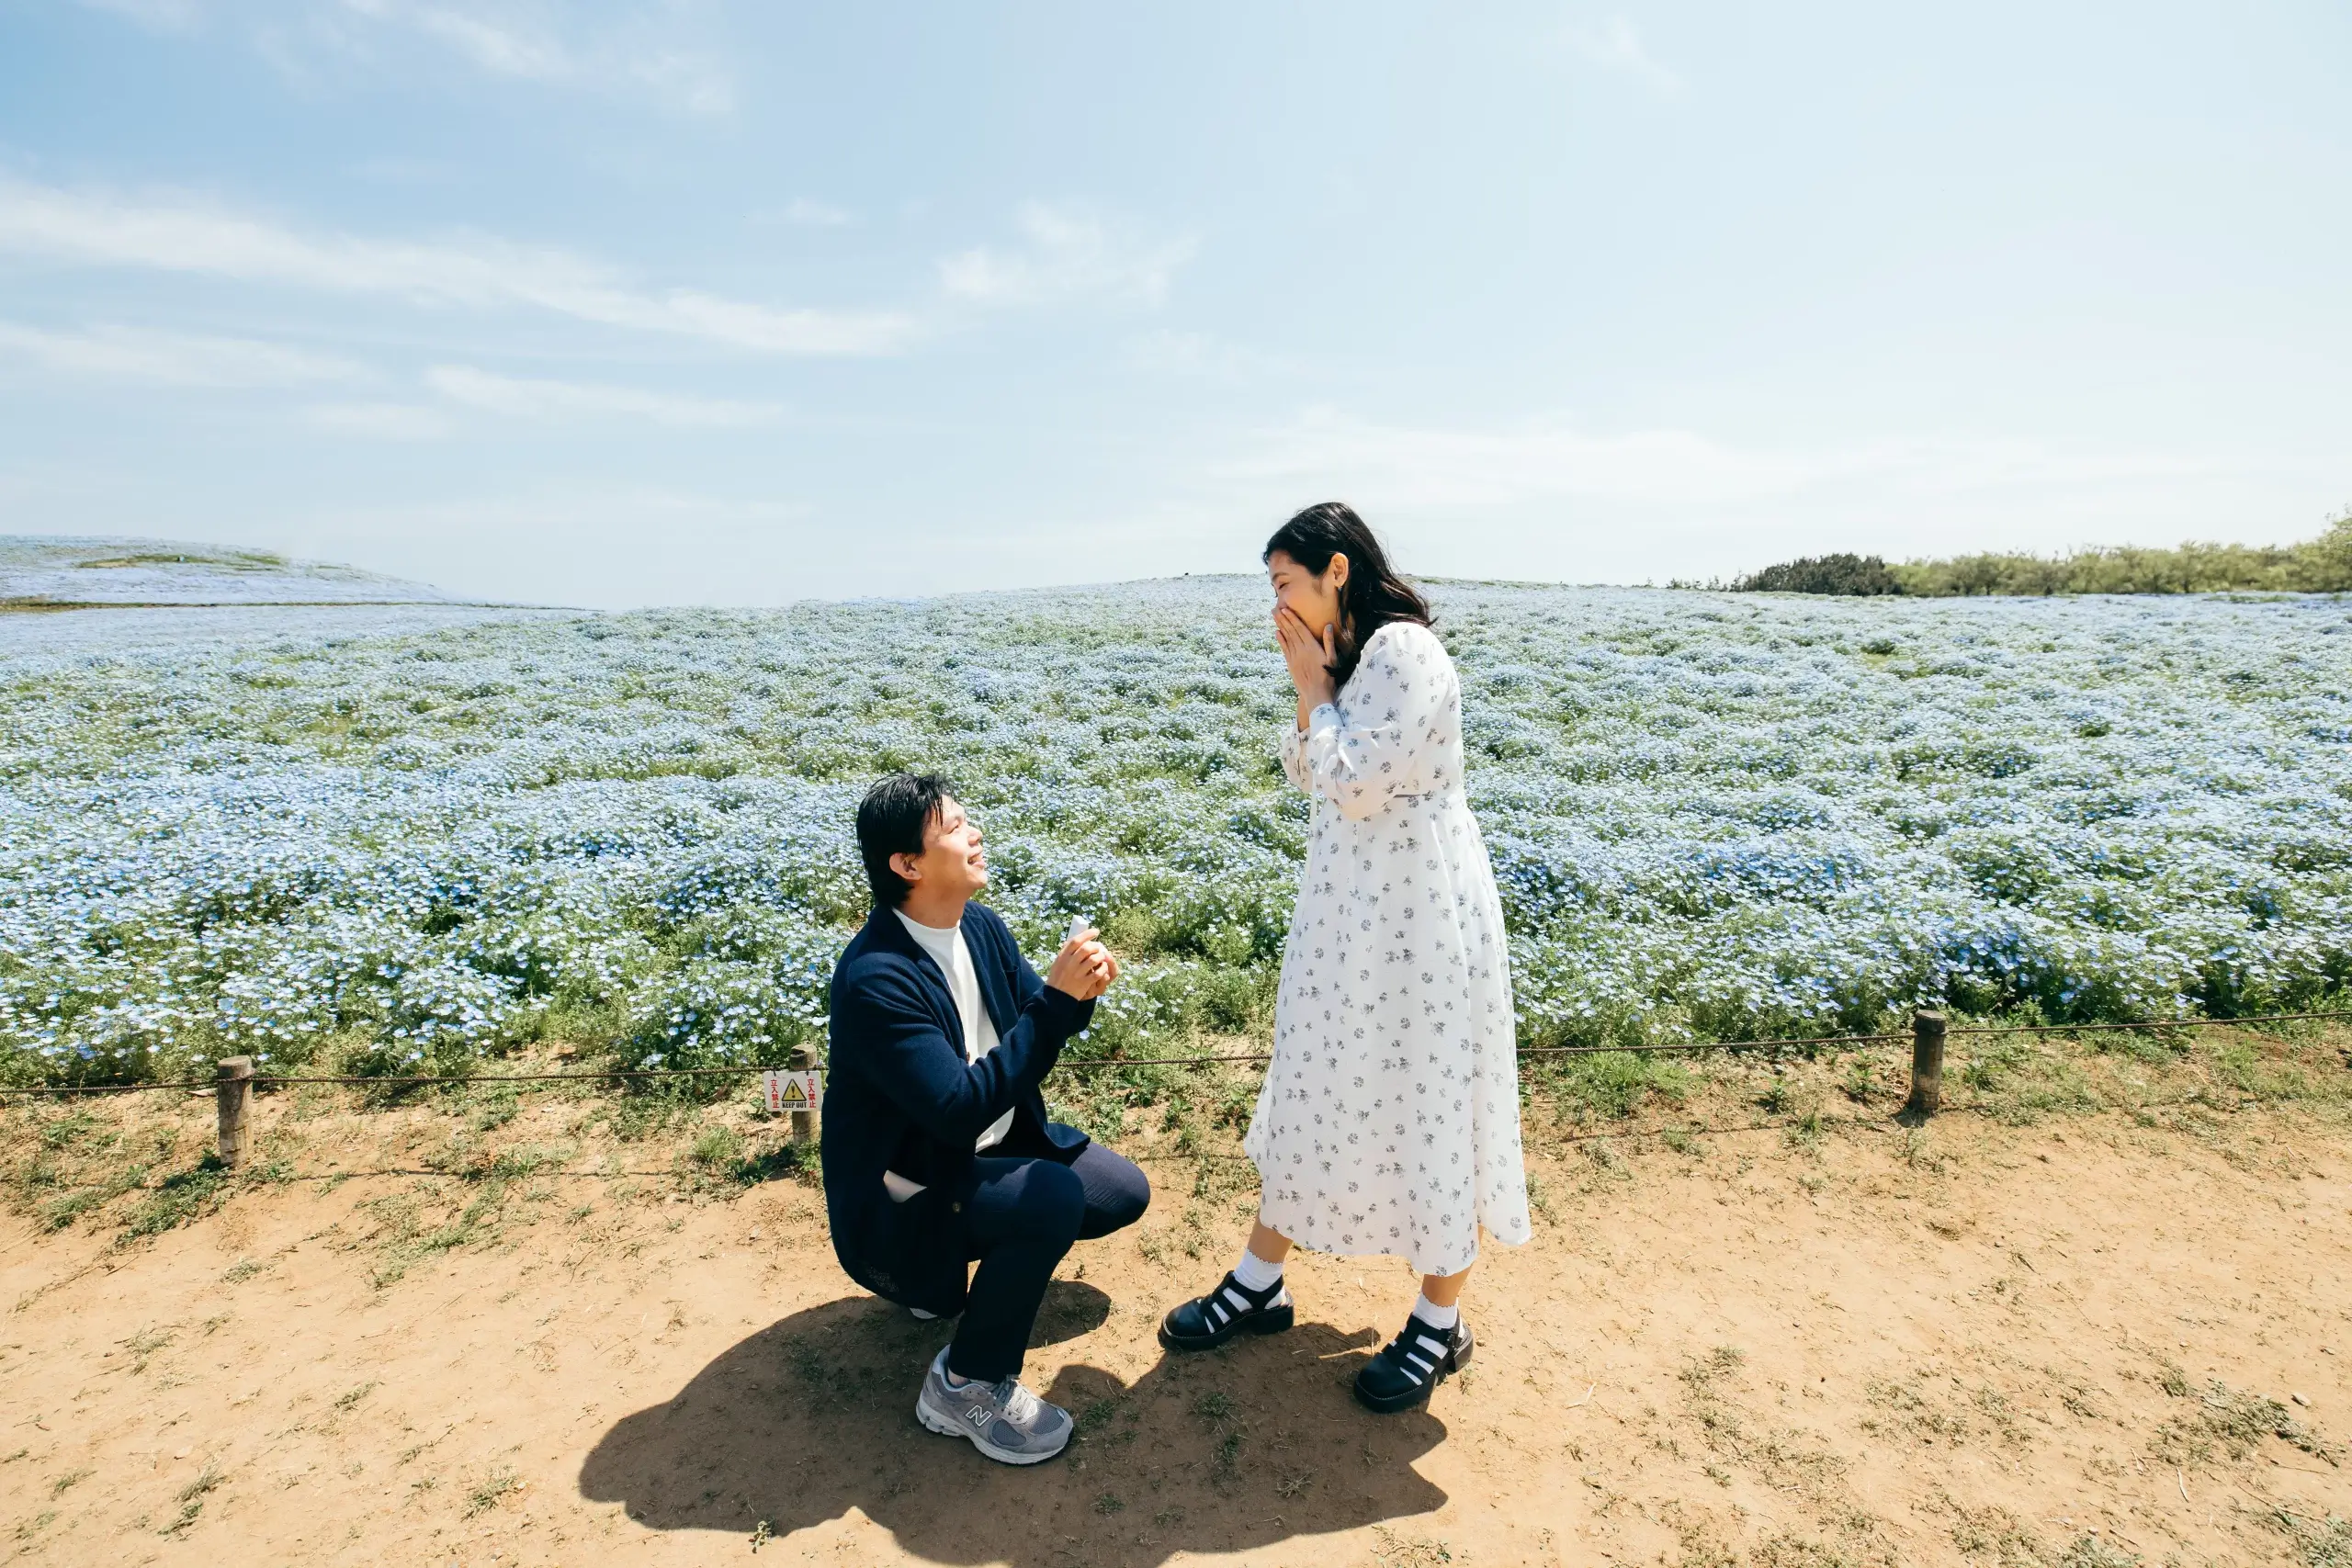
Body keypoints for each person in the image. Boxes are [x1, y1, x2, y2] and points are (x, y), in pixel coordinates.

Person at [1159, 502, 1532, 1413]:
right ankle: (1261, 1280)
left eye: (1285, 583)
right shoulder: (1349, 655)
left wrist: (1316, 697)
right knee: (1315, 1082)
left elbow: (1355, 786)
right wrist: (1310, 691)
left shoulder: (1403, 651)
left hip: (1415, 917)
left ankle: (1439, 1322)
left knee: (1425, 1097)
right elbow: (1308, 770)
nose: (1276, 603)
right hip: (1352, 916)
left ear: (1335, 571)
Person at [822, 773, 1150, 1465]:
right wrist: (1056, 1007)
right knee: (1051, 1199)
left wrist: (1078, 990)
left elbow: (1040, 1015)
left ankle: (955, 1265)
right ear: (908, 865)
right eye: (955, 829)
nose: (976, 835)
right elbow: (958, 1108)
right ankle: (962, 1383)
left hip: (977, 1155)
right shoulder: (876, 976)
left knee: (1122, 1192)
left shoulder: (979, 925)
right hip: (905, 1192)